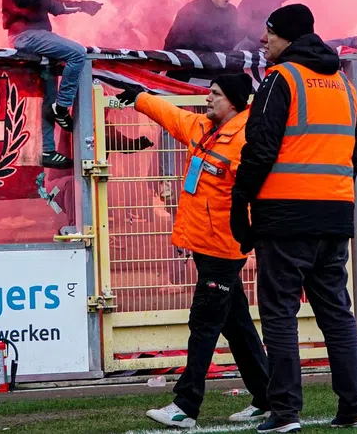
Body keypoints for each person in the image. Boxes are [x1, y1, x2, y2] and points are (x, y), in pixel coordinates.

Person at [230, 4, 357, 431]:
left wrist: (240, 204)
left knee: (279, 313)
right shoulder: (345, 85)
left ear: (286, 37)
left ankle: (285, 411)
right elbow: (353, 157)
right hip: (334, 214)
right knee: (336, 313)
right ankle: (356, 408)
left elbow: (260, 148)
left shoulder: (280, 79)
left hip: (285, 214)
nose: (263, 40)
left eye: (268, 32)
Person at [114, 73, 270, 429]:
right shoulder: (203, 127)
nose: (207, 99)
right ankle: (267, 397)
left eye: (215, 94)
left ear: (233, 100)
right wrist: (139, 97)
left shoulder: (248, 137)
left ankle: (186, 405)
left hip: (224, 247)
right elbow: (169, 114)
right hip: (205, 245)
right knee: (237, 326)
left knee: (203, 324)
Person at [2, 0, 102, 168]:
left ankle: (47, 150)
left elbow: (53, 5)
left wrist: (82, 6)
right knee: (77, 53)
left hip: (38, 34)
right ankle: (63, 106)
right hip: (24, 35)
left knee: (48, 86)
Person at [162, 0, 243, 53]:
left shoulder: (232, 12)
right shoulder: (190, 12)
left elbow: (235, 41)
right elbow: (173, 43)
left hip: (222, 64)